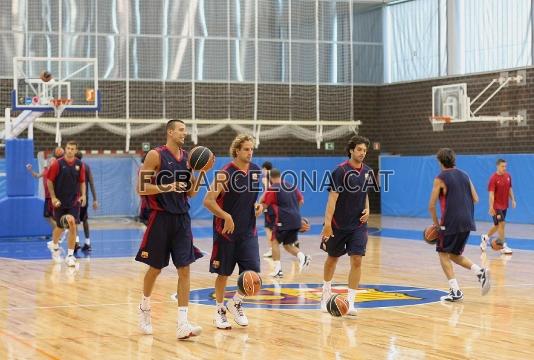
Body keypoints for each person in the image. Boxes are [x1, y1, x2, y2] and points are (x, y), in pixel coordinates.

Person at [136, 119, 204, 340]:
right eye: (181, 130)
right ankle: (144, 308)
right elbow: (142, 188)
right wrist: (167, 186)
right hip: (161, 218)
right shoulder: (155, 155)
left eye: (186, 130)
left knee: (184, 269)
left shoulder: (187, 159)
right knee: (155, 269)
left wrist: (201, 172)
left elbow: (192, 193)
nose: (185, 133)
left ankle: (183, 324)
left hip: (182, 219)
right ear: (170, 132)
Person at [203, 134, 263, 330]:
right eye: (246, 149)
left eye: (252, 149)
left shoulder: (255, 171)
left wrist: (258, 207)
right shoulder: (225, 173)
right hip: (226, 232)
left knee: (252, 274)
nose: (250, 152)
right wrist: (226, 216)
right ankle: (220, 310)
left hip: (248, 232)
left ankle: (236, 302)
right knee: (223, 274)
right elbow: (208, 200)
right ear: (237, 150)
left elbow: (253, 199)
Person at [320, 135, 373, 316]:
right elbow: (332, 199)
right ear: (351, 150)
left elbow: (365, 194)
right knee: (332, 259)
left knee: (357, 260)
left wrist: (368, 209)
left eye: (365, 150)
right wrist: (328, 224)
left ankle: (350, 302)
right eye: (359, 149)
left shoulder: (367, 171)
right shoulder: (340, 171)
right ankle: (326, 292)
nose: (362, 153)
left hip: (358, 225)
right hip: (338, 224)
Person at [428, 148, 491, 302]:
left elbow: (431, 205)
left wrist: (437, 225)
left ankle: (455, 291)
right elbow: (475, 198)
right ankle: (480, 272)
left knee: (443, 254)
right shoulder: (465, 175)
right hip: (468, 221)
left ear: (440, 161)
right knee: (454, 254)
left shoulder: (440, 178)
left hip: (451, 221)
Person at [262, 168, 311, 278]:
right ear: (280, 176)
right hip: (296, 219)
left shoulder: (273, 188)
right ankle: (303, 257)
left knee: (274, 242)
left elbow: (264, 205)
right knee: (288, 245)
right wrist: (293, 211)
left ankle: (278, 270)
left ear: (270, 179)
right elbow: (301, 200)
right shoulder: (291, 186)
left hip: (283, 220)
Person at [46, 141, 86, 267]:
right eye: (68, 148)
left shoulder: (80, 165)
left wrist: (83, 195)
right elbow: (49, 181)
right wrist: (53, 197)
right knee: (60, 226)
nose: (69, 150)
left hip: (73, 201)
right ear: (65, 149)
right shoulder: (57, 164)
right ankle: (54, 243)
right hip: (59, 201)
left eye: (72, 149)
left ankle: (70, 255)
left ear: (75, 150)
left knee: (72, 223)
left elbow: (82, 181)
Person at [480, 159, 516, 255]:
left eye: (505, 166)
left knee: (497, 226)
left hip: (504, 205)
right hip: (496, 206)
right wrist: (491, 207)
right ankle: (503, 245)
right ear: (497, 166)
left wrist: (513, 199)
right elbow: (491, 194)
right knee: (502, 224)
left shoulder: (508, 176)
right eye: (502, 166)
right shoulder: (493, 178)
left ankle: (485, 237)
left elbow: (510, 188)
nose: (504, 168)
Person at [26, 147, 64, 233]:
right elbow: (37, 176)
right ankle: (58, 231)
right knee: (47, 216)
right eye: (50, 160)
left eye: (52, 160)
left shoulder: (57, 170)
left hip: (53, 196)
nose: (50, 161)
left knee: (53, 216)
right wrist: (31, 170)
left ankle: (59, 232)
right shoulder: (46, 170)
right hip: (47, 197)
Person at [73, 151, 99, 252]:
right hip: (85, 199)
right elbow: (91, 184)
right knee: (84, 219)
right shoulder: (86, 167)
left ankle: (76, 242)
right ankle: (87, 243)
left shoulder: (73, 166)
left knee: (74, 221)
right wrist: (95, 199)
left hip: (75, 198)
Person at [259, 161, 275, 258]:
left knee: (268, 228)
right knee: (275, 227)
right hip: (276, 204)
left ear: (264, 168)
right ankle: (293, 241)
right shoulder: (275, 176)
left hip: (269, 204)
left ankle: (271, 250)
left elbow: (267, 190)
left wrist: (261, 201)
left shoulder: (266, 177)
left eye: (262, 169)